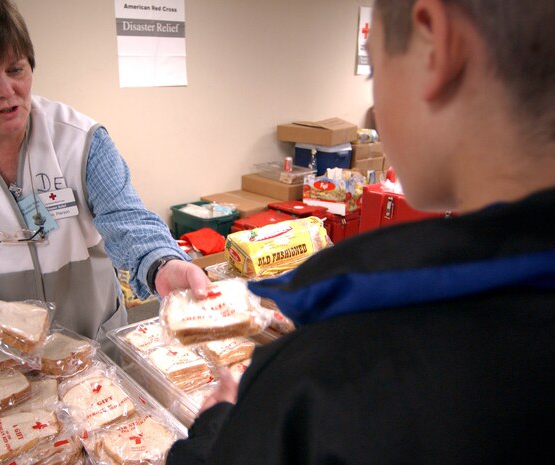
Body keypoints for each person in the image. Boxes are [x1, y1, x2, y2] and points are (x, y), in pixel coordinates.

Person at [167, 0, 555, 463]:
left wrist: (218, 428)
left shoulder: (330, 376)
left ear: (434, 45)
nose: (372, 111)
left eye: (373, 68)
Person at [0, 0, 209, 370]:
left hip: (92, 346)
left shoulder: (80, 139)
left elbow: (127, 220)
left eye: (16, 69)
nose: (7, 90)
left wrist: (162, 264)